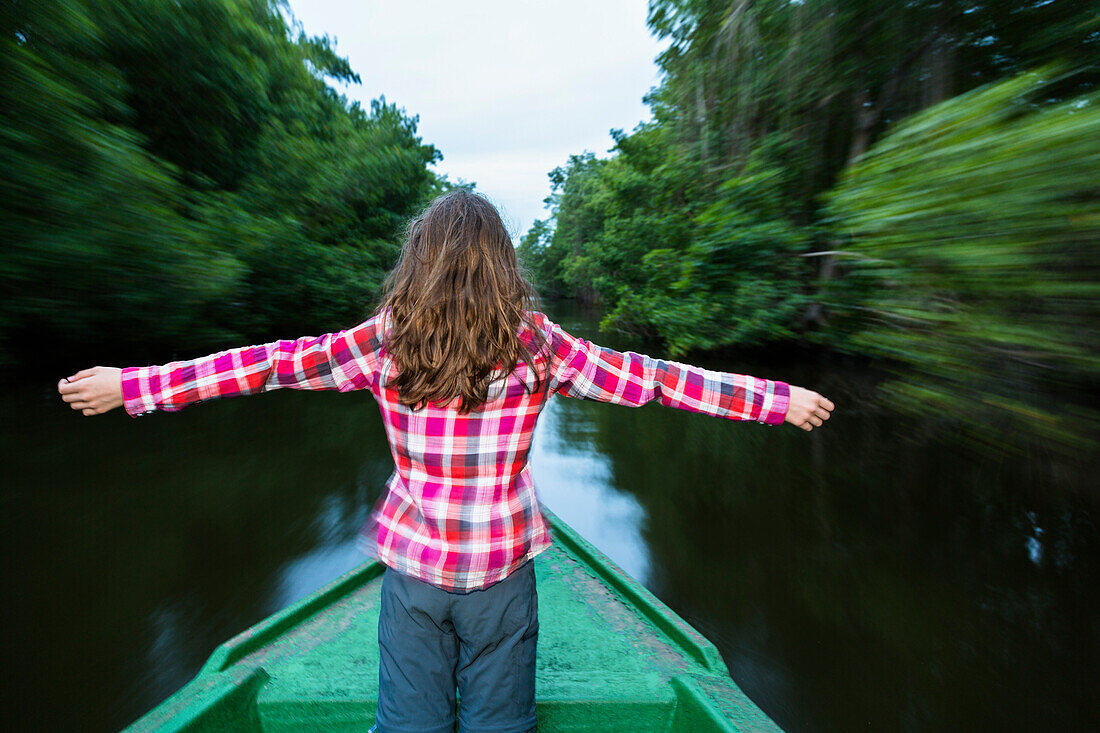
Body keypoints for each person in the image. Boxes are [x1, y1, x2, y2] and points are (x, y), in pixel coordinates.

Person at [58, 189, 834, 733]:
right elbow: (660, 382)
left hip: (415, 575)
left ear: (417, 263)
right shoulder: (540, 343)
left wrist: (132, 386)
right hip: (501, 573)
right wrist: (774, 398)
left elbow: (263, 364)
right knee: (502, 724)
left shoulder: (383, 339)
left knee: (409, 724)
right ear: (504, 264)